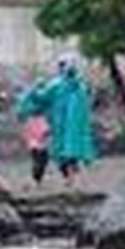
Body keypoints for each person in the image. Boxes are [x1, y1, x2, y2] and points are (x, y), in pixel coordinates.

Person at [23, 56, 98, 185]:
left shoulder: (57, 85)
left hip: (61, 126)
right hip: (74, 128)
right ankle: (72, 178)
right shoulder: (81, 86)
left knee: (63, 153)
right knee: (71, 153)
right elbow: (89, 104)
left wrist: (32, 90)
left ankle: (70, 178)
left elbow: (41, 98)